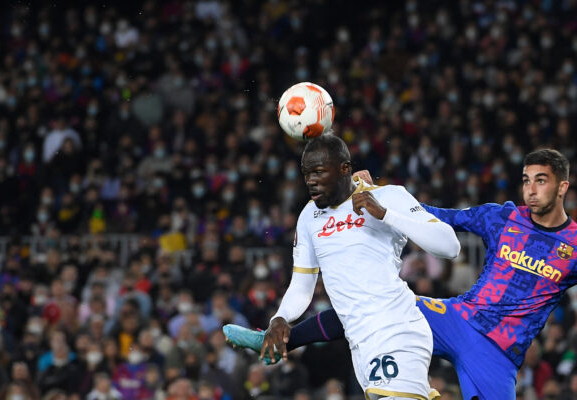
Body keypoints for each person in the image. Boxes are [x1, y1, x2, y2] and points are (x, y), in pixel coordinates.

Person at [224, 148, 576, 400]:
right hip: (458, 318)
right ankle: (278, 339)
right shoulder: (503, 216)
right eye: (526, 180)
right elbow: (434, 217)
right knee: (372, 302)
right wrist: (375, 194)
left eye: (541, 181)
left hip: (498, 352)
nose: (530, 190)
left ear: (562, 186)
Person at [226, 134, 460, 400]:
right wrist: (279, 318)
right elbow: (302, 286)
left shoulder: (388, 196)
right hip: (359, 342)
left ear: (344, 168)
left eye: (318, 172)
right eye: (306, 174)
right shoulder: (309, 216)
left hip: (395, 328)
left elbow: (449, 246)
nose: (310, 181)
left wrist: (385, 214)